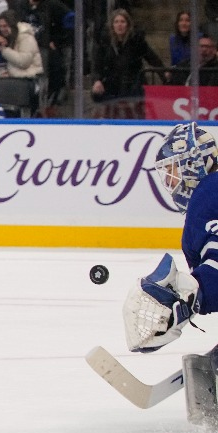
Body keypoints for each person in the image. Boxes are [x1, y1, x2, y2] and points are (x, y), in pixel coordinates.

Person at [122, 123, 218, 410]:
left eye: (172, 170)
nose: (170, 181)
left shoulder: (209, 192)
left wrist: (197, 290)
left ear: (192, 164)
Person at [91, 8, 163, 119]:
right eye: (116, 22)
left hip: (133, 86)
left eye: (122, 22)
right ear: (112, 25)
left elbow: (152, 58)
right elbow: (97, 64)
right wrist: (97, 80)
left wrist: (164, 73)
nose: (119, 25)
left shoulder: (137, 41)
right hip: (112, 87)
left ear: (128, 25)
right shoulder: (105, 42)